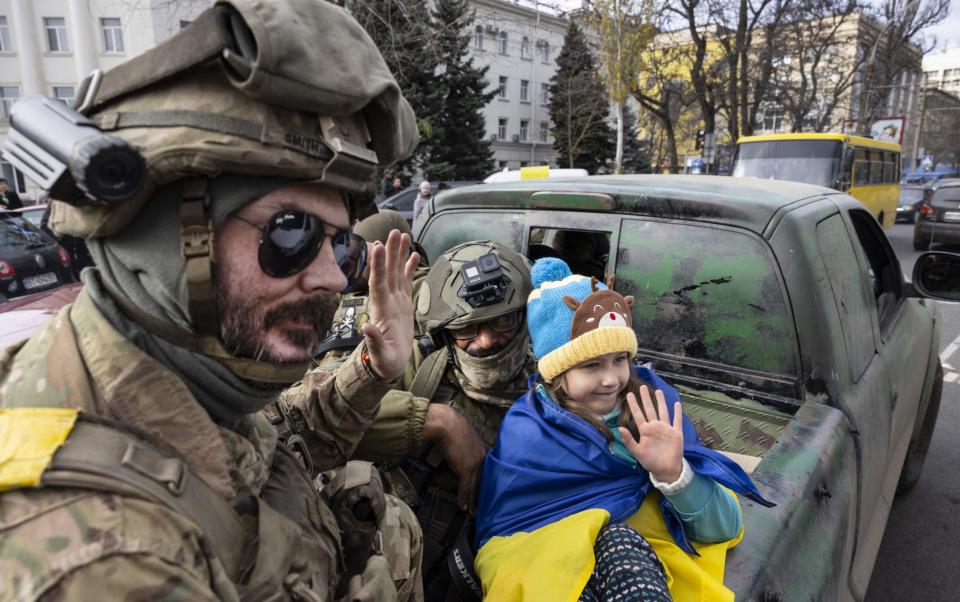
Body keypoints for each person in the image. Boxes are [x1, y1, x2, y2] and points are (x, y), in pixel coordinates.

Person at [0, 1, 426, 600]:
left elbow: (274, 440)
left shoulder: (180, 366)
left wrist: (375, 369)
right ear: (174, 242)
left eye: (341, 244)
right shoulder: (103, 558)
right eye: (291, 233)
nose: (333, 276)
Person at [474, 258, 774, 601]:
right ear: (556, 373)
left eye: (620, 359)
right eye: (591, 365)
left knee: (620, 542)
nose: (611, 379)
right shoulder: (526, 430)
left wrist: (674, 475)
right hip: (546, 568)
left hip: (640, 565)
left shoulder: (654, 408)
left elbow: (725, 526)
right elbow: (502, 536)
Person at [349, 240, 537, 600]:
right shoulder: (417, 364)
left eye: (503, 321)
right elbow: (327, 419)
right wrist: (434, 419)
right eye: (466, 328)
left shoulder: (549, 389)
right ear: (444, 332)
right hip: (387, 565)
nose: (485, 340)